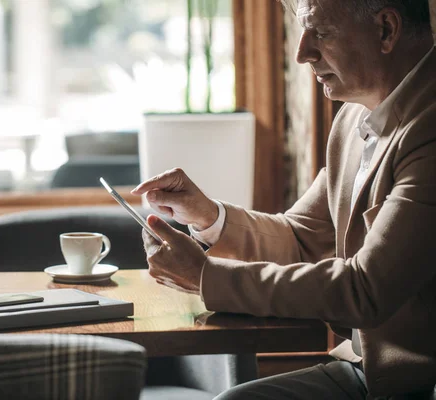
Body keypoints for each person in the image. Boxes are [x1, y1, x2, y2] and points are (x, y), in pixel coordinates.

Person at [131, 0, 436, 398]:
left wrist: (206, 276)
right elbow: (300, 236)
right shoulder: (353, 118)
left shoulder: (429, 128)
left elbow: (365, 289)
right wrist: (209, 217)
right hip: (369, 371)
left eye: (320, 33)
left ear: (386, 30)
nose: (301, 53)